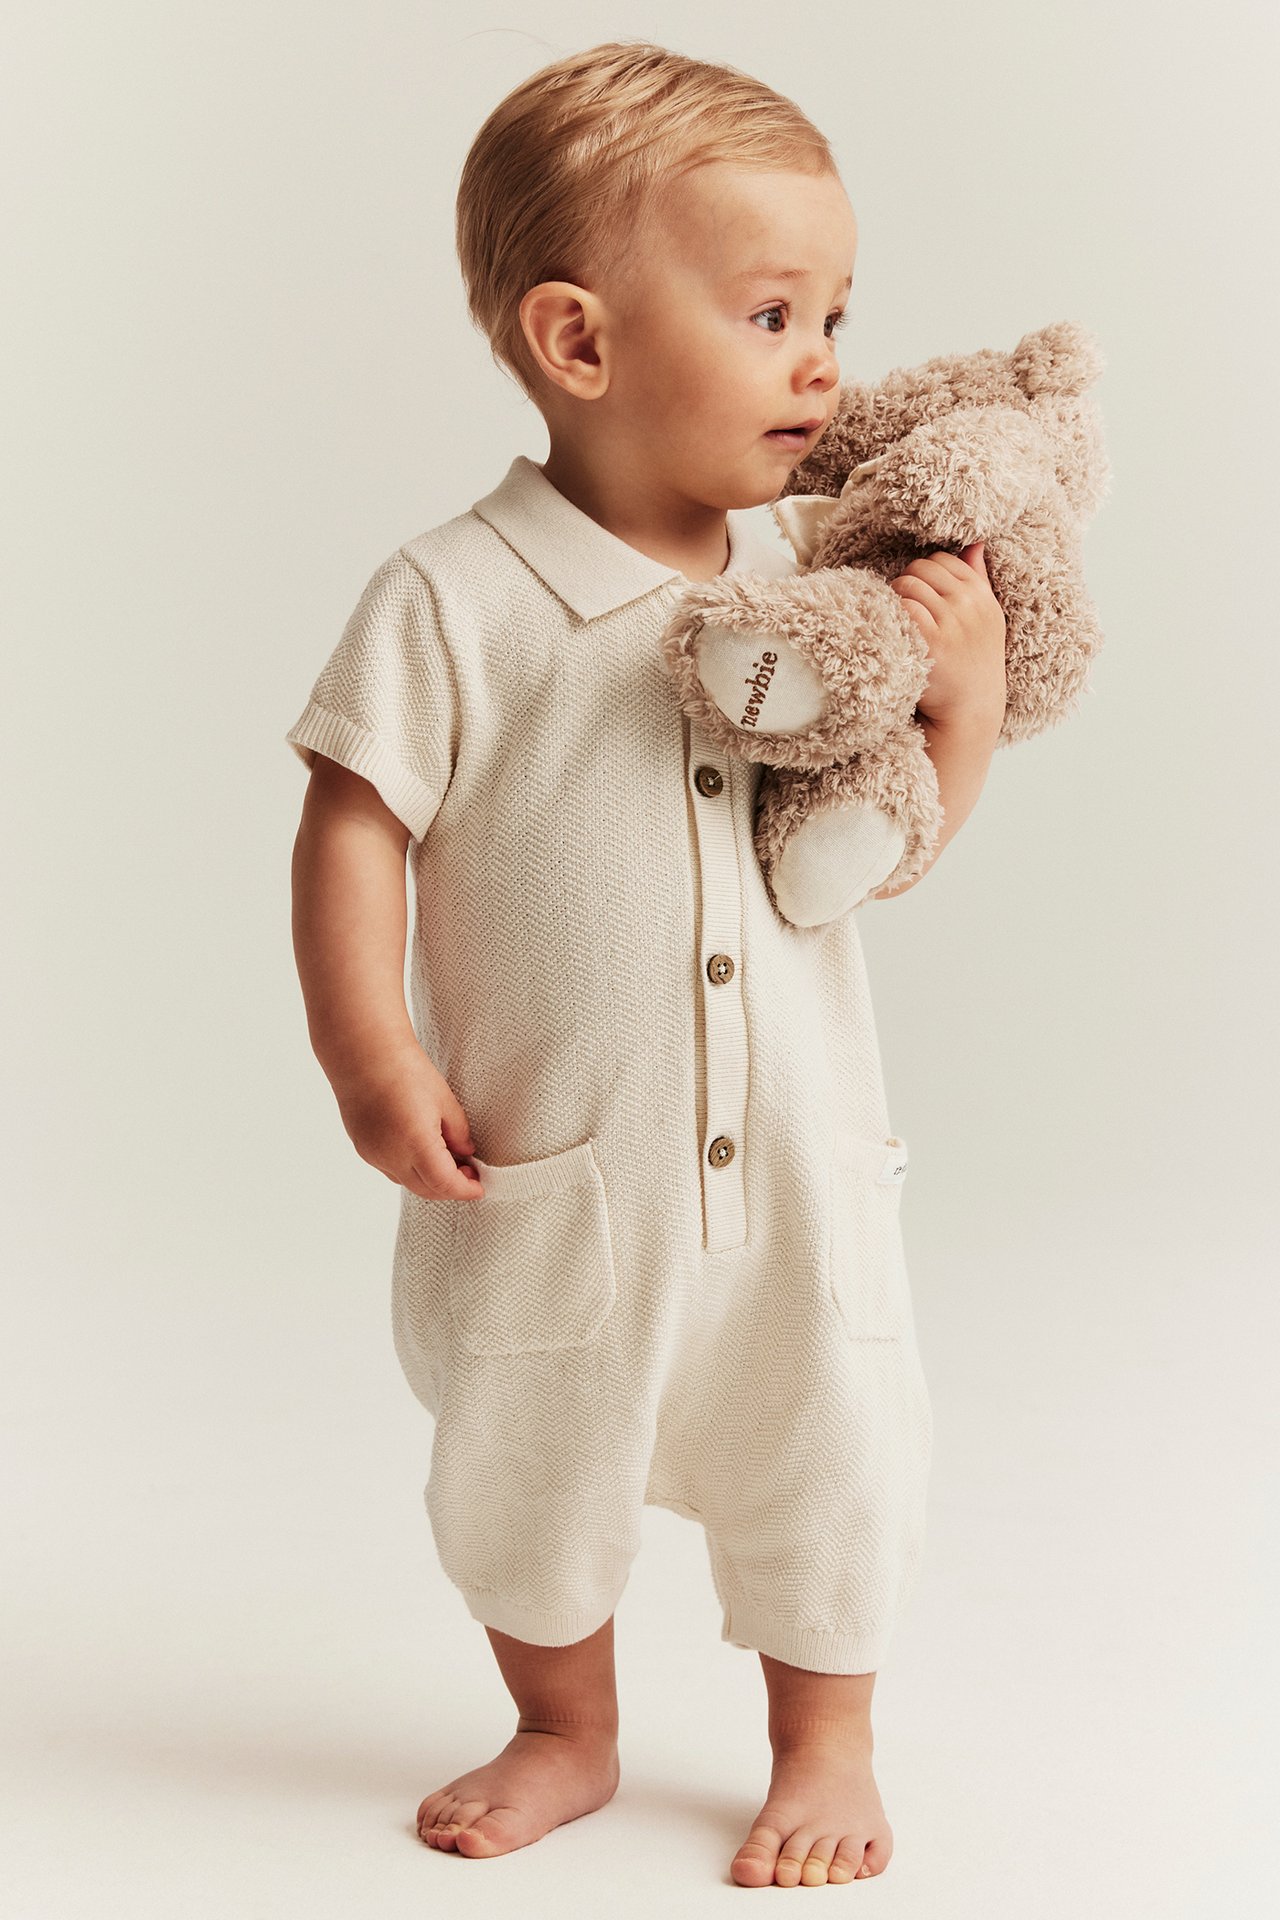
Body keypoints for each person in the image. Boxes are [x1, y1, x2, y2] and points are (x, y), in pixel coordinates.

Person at [285, 40, 1007, 1890]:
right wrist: (373, 1059)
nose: (826, 360)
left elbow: (876, 854)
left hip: (793, 1161)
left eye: (839, 309)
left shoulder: (810, 601)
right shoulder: (454, 596)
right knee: (529, 1464)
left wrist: (963, 710)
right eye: (772, 311)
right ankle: (563, 1723)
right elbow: (355, 827)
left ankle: (823, 1737)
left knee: (833, 1452)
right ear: (579, 342)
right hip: (562, 1166)